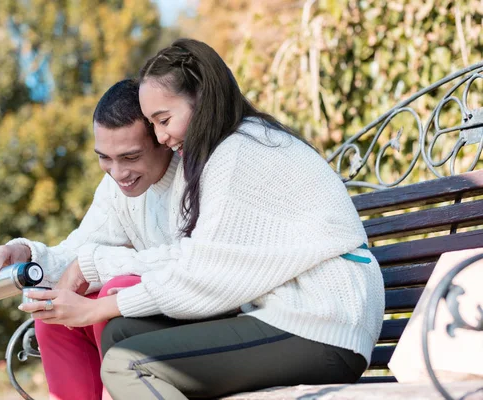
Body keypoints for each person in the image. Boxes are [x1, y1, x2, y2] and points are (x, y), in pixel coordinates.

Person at [21, 38, 386, 400]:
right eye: (153, 124)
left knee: (128, 364)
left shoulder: (239, 152)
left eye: (163, 120)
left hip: (320, 325)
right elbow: (202, 263)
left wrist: (97, 307)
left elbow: (204, 272)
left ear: (202, 97)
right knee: (122, 334)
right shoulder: (229, 150)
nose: (161, 137)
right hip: (292, 319)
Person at [0, 79, 186, 400]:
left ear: (161, 137)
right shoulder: (117, 185)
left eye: (130, 157)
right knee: (52, 310)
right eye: (105, 157)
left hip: (200, 317)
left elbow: (196, 263)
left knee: (117, 290)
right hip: (159, 317)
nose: (117, 172)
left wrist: (94, 265)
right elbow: (78, 252)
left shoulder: (195, 175)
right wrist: (23, 254)